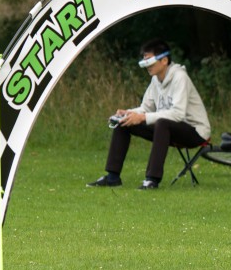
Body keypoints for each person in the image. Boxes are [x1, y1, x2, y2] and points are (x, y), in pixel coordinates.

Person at [87, 39, 211, 190]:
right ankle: (113, 177)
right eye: (145, 62)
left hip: (195, 132)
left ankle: (152, 180)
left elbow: (178, 114)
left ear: (164, 60)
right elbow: (146, 107)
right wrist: (129, 113)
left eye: (150, 61)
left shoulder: (180, 77)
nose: (147, 66)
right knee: (124, 122)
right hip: (167, 128)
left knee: (162, 123)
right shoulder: (155, 80)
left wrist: (143, 117)